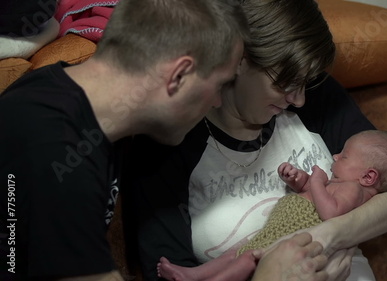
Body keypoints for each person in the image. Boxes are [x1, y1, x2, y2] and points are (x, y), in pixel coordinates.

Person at [127, 0, 387, 280]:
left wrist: (327, 237)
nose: (299, 99)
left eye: (305, 83)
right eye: (285, 82)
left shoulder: (317, 97)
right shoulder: (169, 140)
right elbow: (167, 272)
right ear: (238, 59)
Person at [0, 0, 273, 280]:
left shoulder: (63, 92)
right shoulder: (58, 152)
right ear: (179, 76)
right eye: (220, 84)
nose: (217, 101)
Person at [155, 130, 387, 281]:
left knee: (246, 260)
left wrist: (316, 180)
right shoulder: (343, 183)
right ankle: (192, 274)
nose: (335, 156)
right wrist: (299, 180)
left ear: (369, 177)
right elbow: (313, 196)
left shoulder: (354, 189)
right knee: (234, 253)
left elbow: (330, 212)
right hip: (279, 231)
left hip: (292, 241)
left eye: (344, 155)